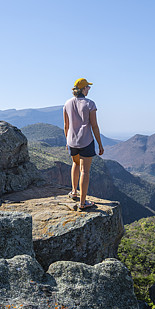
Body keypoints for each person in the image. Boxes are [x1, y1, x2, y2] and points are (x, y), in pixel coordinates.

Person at [63, 78, 104, 210]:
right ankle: (82, 203)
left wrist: (67, 141)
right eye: (88, 87)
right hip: (86, 141)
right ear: (83, 89)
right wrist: (100, 144)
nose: (89, 89)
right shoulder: (90, 104)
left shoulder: (67, 103)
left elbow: (66, 126)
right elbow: (94, 126)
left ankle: (74, 191)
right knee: (85, 171)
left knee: (75, 163)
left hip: (72, 140)